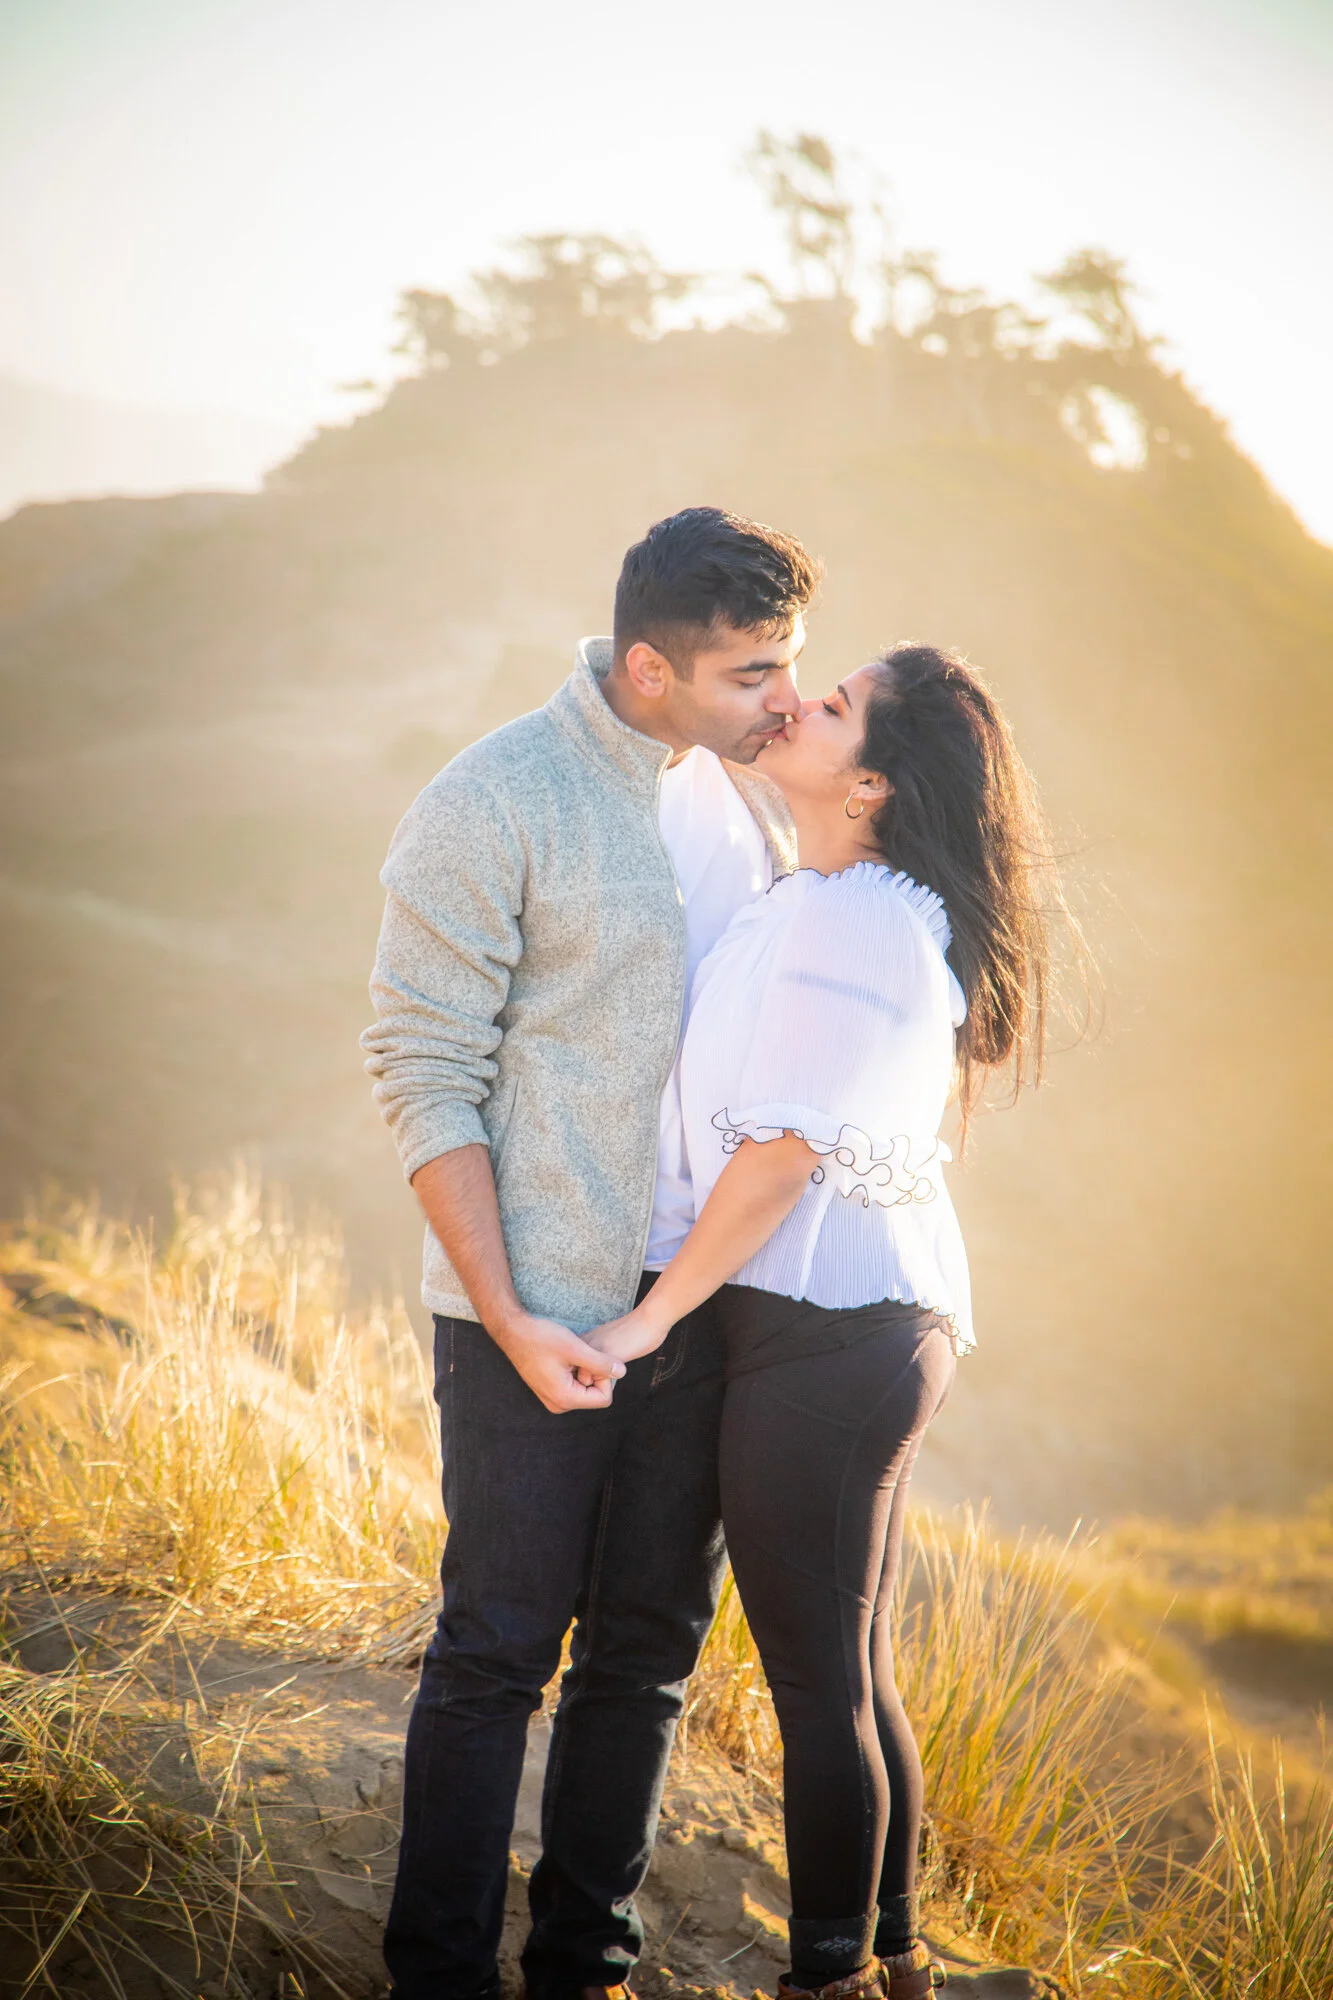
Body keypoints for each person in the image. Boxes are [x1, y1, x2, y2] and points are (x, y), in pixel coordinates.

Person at [361, 507, 822, 2000]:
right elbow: (422, 1068)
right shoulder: (493, 797)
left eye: (795, 667)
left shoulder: (748, 805)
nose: (788, 702)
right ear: (648, 667)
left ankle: (585, 1967)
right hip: (527, 1311)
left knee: (645, 1655)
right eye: (755, 672)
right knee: (497, 1646)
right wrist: (504, 1311)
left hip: (696, 1309)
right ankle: (435, 1974)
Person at [587, 643, 1067, 2000]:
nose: (801, 702)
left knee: (817, 1681)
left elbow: (785, 1150)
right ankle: (897, 1960)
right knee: (849, 1664)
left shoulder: (856, 920)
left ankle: (829, 1980)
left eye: (836, 703)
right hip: (843, 1320)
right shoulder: (829, 896)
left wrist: (647, 1322)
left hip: (829, 1321)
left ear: (869, 785)